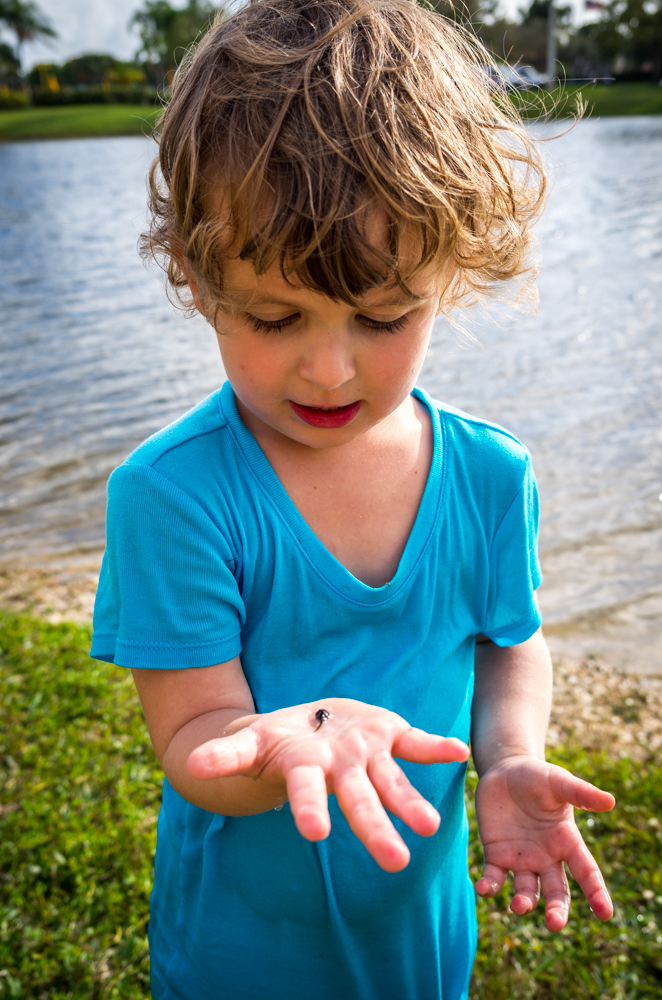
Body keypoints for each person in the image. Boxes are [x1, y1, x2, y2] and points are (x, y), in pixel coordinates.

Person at [91, 1, 615, 997]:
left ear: (446, 276)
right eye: (274, 314)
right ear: (197, 279)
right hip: (240, 959)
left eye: (381, 316)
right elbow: (193, 738)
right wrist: (293, 736)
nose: (327, 369)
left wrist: (507, 755)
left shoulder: (488, 474)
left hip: (417, 942)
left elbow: (507, 637)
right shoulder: (175, 495)